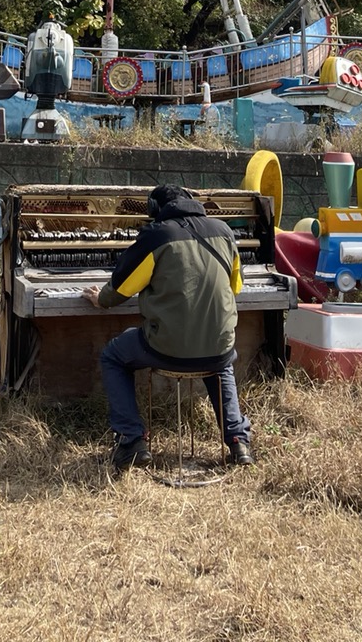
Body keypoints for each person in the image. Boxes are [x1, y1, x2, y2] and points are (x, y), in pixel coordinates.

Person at [85, 183, 253, 472]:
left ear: (154, 211)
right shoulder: (224, 232)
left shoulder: (156, 235)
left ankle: (131, 441)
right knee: (220, 359)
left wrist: (100, 298)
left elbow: (120, 289)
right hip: (219, 345)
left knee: (113, 356)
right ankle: (238, 440)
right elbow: (234, 286)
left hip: (166, 348)